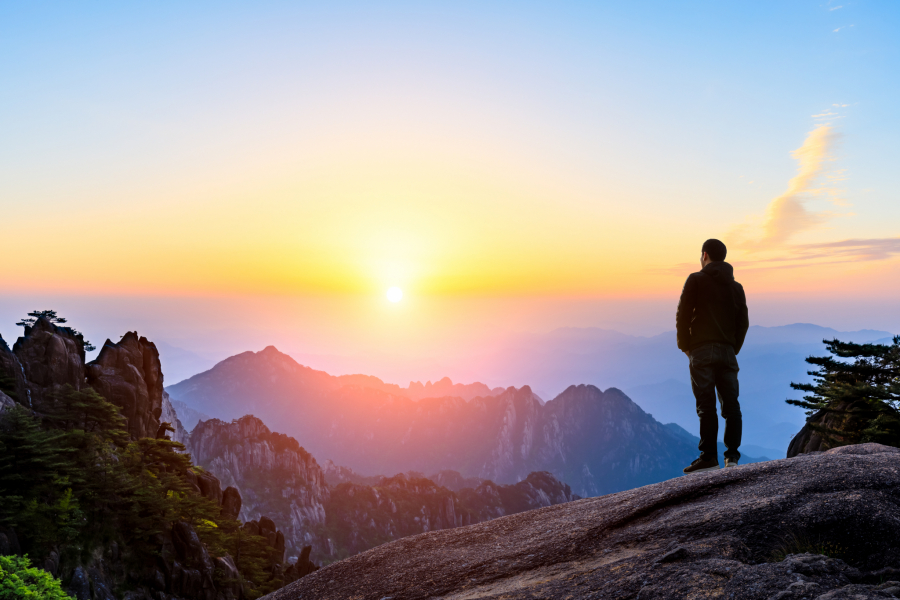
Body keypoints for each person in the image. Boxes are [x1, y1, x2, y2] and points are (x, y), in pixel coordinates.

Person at [676, 239, 749, 473]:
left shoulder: (695, 280)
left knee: (706, 406)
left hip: (701, 351)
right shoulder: (736, 287)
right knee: (731, 406)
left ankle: (708, 457)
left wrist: (686, 347)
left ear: (705, 255)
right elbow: (743, 323)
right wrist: (732, 348)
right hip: (728, 352)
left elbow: (682, 316)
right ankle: (732, 458)